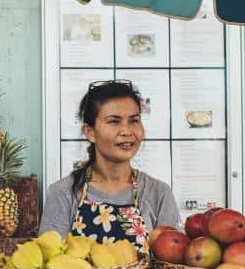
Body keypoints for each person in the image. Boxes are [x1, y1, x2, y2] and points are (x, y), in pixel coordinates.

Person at [40, 80, 180, 252]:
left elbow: (171, 262)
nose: (126, 131)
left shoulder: (158, 193)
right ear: (90, 132)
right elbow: (51, 264)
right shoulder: (63, 193)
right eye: (114, 121)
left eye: (134, 121)